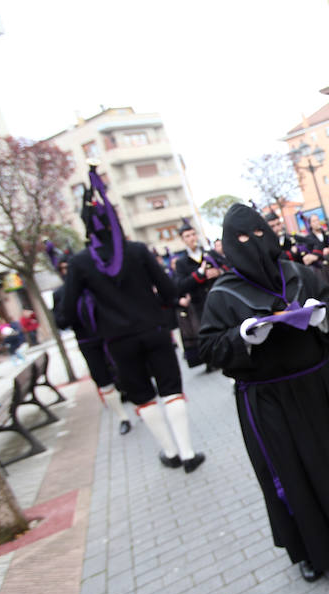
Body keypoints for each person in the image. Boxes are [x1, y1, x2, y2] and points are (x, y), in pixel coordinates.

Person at [198, 203, 329, 582]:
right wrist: (243, 336)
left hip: (319, 386)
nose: (252, 244)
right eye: (241, 239)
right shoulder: (222, 295)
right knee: (291, 472)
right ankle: (309, 550)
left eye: (257, 233)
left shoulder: (298, 274)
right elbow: (209, 347)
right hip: (268, 399)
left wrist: (320, 316)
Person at [63, 164, 204, 472]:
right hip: (154, 331)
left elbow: (66, 312)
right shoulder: (138, 250)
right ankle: (188, 453)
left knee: (144, 397)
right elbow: (167, 290)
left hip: (118, 342)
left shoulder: (80, 263)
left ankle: (171, 452)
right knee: (171, 390)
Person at [51, 251, 133, 435]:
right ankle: (122, 417)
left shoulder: (95, 284)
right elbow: (60, 321)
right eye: (63, 269)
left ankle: (140, 405)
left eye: (69, 268)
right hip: (87, 342)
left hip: (109, 336)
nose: (67, 272)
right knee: (103, 381)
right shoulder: (60, 294)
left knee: (126, 372)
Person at [174, 222, 226, 371]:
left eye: (193, 234)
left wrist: (219, 272)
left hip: (217, 298)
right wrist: (199, 274)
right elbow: (180, 285)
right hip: (199, 304)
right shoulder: (181, 262)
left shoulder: (210, 254)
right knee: (206, 333)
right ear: (183, 239)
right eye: (187, 236)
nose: (191, 238)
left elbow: (228, 267)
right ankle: (212, 361)